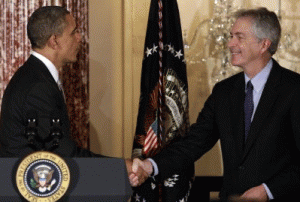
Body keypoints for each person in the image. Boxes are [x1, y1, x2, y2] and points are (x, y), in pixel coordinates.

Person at [131, 7, 300, 202]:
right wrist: (150, 165)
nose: (230, 44)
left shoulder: (294, 90)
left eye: (239, 37)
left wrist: (268, 190)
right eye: (230, 36)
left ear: (264, 44)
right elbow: (194, 142)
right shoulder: (224, 92)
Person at [0, 6, 144, 186]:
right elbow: (64, 156)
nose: (79, 38)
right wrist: (123, 167)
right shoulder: (37, 87)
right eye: (74, 32)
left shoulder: (36, 76)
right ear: (54, 41)